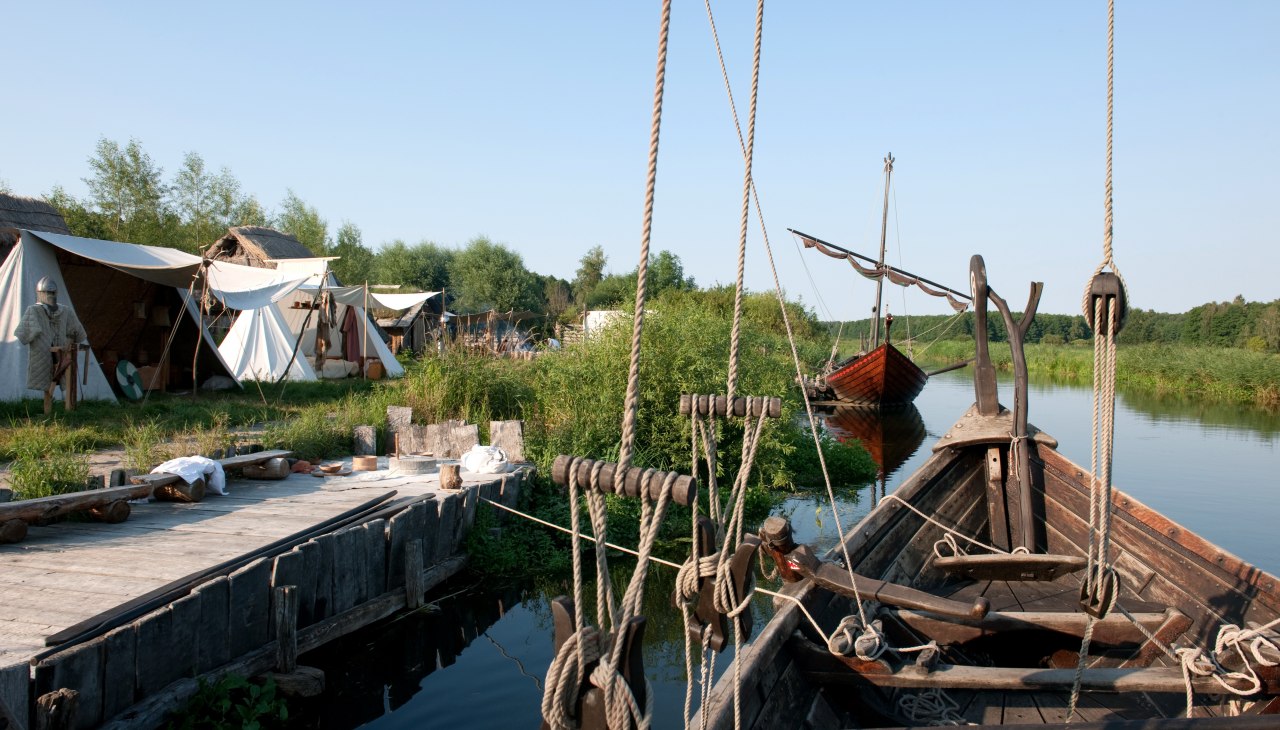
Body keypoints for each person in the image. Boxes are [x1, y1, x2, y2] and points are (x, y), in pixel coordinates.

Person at [14, 276, 86, 395]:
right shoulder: (63, 310)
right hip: (54, 356)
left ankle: (60, 404)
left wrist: (67, 342)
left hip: (55, 356)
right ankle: (62, 404)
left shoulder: (34, 311)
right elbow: (79, 334)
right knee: (55, 384)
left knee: (56, 382)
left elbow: (23, 336)